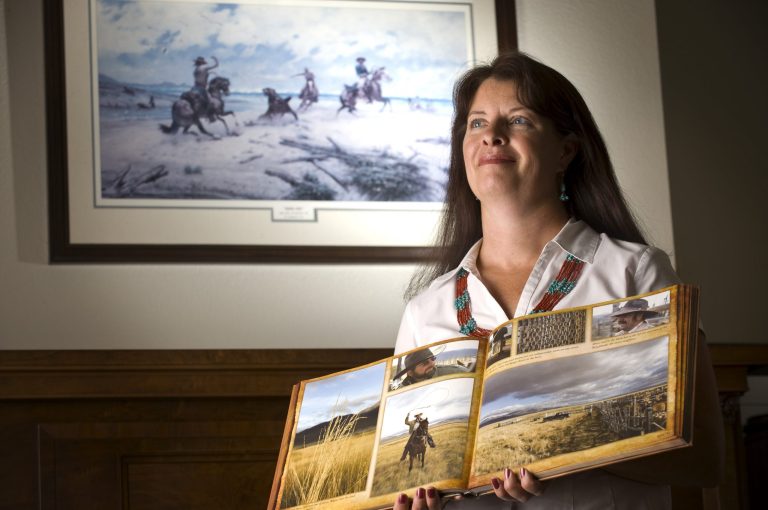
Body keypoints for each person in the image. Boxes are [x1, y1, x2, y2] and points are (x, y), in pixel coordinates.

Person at [391, 52, 723, 510]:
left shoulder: (635, 273)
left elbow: (703, 459)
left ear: (565, 150)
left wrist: (562, 448)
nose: (491, 134)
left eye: (520, 120)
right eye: (477, 123)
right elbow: (408, 477)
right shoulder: (426, 309)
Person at [395, 347, 469, 387]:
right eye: (424, 363)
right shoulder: (403, 390)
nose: (431, 363)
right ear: (410, 372)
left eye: (432, 359)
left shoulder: (456, 373)